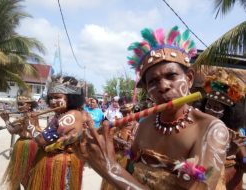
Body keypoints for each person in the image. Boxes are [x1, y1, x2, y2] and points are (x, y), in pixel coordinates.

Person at [74, 26, 229, 189]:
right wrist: (111, 151)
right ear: (148, 91)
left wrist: (110, 168)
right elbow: (132, 171)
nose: (163, 86)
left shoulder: (212, 130)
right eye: (153, 82)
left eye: (171, 76)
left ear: (189, 79)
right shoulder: (145, 124)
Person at [25, 75, 88, 190]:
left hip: (60, 164)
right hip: (56, 161)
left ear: (70, 98)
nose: (53, 101)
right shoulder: (60, 115)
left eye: (58, 97)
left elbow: (42, 140)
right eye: (51, 98)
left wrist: (29, 125)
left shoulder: (71, 116)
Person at [201, 68, 246, 190]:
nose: (210, 110)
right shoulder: (197, 124)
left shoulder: (235, 133)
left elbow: (243, 156)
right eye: (208, 106)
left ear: (226, 113)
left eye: (217, 108)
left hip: (228, 177)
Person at [0, 93, 41, 190]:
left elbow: (12, 131)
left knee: (19, 175)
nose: (19, 106)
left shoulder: (25, 117)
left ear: (29, 105)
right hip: (32, 144)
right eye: (18, 104)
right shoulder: (34, 115)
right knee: (28, 173)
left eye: (22, 104)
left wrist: (6, 120)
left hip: (25, 145)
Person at [101, 101, 139, 190]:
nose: (128, 115)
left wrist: (117, 140)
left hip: (128, 155)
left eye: (129, 112)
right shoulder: (118, 123)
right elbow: (110, 136)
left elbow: (129, 145)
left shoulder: (136, 125)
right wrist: (115, 138)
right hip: (115, 153)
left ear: (133, 111)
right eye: (125, 113)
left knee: (124, 175)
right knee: (111, 176)